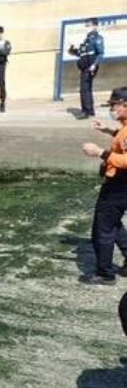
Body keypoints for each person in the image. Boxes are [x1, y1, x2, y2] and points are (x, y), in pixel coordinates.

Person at [80, 87, 127, 285]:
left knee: (103, 228)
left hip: (119, 184)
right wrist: (108, 130)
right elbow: (123, 139)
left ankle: (105, 273)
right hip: (120, 184)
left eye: (114, 105)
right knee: (113, 222)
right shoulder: (124, 126)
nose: (112, 109)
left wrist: (101, 153)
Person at [69, 18, 105, 120]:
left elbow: (100, 53)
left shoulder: (96, 38)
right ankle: (90, 111)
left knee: (84, 89)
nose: (86, 27)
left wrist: (94, 65)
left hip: (90, 67)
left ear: (95, 26)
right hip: (84, 67)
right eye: (86, 25)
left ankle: (86, 111)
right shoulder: (87, 40)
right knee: (86, 89)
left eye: (88, 25)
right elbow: (81, 54)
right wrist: (73, 51)